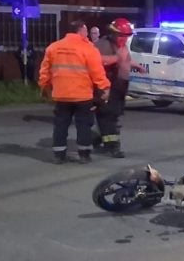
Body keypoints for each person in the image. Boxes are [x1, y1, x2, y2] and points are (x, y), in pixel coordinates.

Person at [38, 20, 110, 164]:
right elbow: (97, 72)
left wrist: (44, 87)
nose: (87, 33)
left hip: (61, 94)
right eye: (86, 30)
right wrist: (104, 88)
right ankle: (84, 154)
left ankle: (59, 154)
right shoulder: (88, 49)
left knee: (60, 124)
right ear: (81, 30)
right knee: (83, 124)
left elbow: (45, 71)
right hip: (82, 95)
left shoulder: (54, 47)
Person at [94, 17, 146, 158]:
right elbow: (96, 61)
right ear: (114, 33)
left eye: (127, 36)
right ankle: (113, 147)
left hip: (119, 86)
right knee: (108, 116)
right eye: (123, 35)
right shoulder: (103, 45)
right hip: (107, 86)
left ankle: (100, 139)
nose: (125, 39)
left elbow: (126, 60)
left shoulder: (121, 46)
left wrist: (137, 66)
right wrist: (116, 59)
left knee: (113, 115)